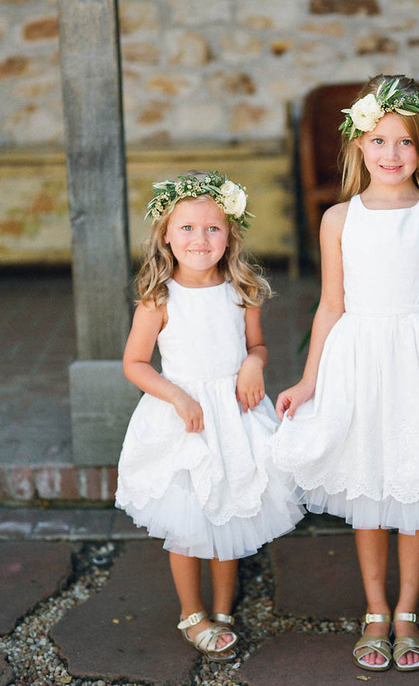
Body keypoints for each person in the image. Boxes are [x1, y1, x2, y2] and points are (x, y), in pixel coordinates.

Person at [273, 75, 419, 673]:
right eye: (379, 141)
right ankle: (375, 608)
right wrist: (308, 380)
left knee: (416, 483)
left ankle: (407, 611)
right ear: (358, 146)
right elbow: (330, 304)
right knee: (371, 487)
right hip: (360, 360)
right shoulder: (338, 219)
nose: (391, 154)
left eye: (404, 142)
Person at [116, 170, 303, 663]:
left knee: (232, 505)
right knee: (190, 518)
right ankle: (192, 611)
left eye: (213, 229)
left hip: (235, 412)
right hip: (186, 417)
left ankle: (224, 606)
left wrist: (253, 364)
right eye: (187, 229)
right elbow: (134, 363)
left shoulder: (242, 290)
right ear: (166, 236)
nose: (200, 239)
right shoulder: (158, 299)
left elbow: (257, 345)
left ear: (231, 235)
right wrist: (177, 398)